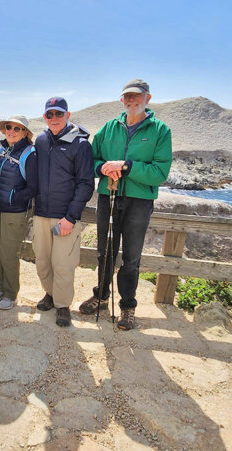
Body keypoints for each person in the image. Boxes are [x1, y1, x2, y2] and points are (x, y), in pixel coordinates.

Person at [78, 79, 172, 331]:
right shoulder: (109, 128)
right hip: (108, 196)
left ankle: (128, 306)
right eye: (127, 97)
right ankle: (101, 296)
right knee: (104, 252)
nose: (131, 100)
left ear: (147, 99)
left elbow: (160, 172)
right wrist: (104, 168)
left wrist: (126, 167)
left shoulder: (160, 131)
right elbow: (92, 160)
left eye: (136, 96)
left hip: (139, 201)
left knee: (131, 258)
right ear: (122, 99)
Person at [32, 97, 94, 327]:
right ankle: (50, 294)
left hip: (65, 217)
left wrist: (71, 217)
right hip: (41, 214)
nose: (54, 118)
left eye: (59, 114)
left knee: (63, 265)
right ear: (45, 117)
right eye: (50, 115)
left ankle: (63, 305)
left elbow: (86, 183)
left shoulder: (80, 144)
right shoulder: (40, 141)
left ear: (68, 115)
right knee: (42, 261)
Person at [0, 115, 38, 310]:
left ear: (25, 132)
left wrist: (12, 198)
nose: (11, 131)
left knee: (9, 254)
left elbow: (33, 187)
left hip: (15, 212)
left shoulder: (29, 154)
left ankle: (10, 293)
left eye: (17, 129)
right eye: (9, 127)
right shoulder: (2, 151)